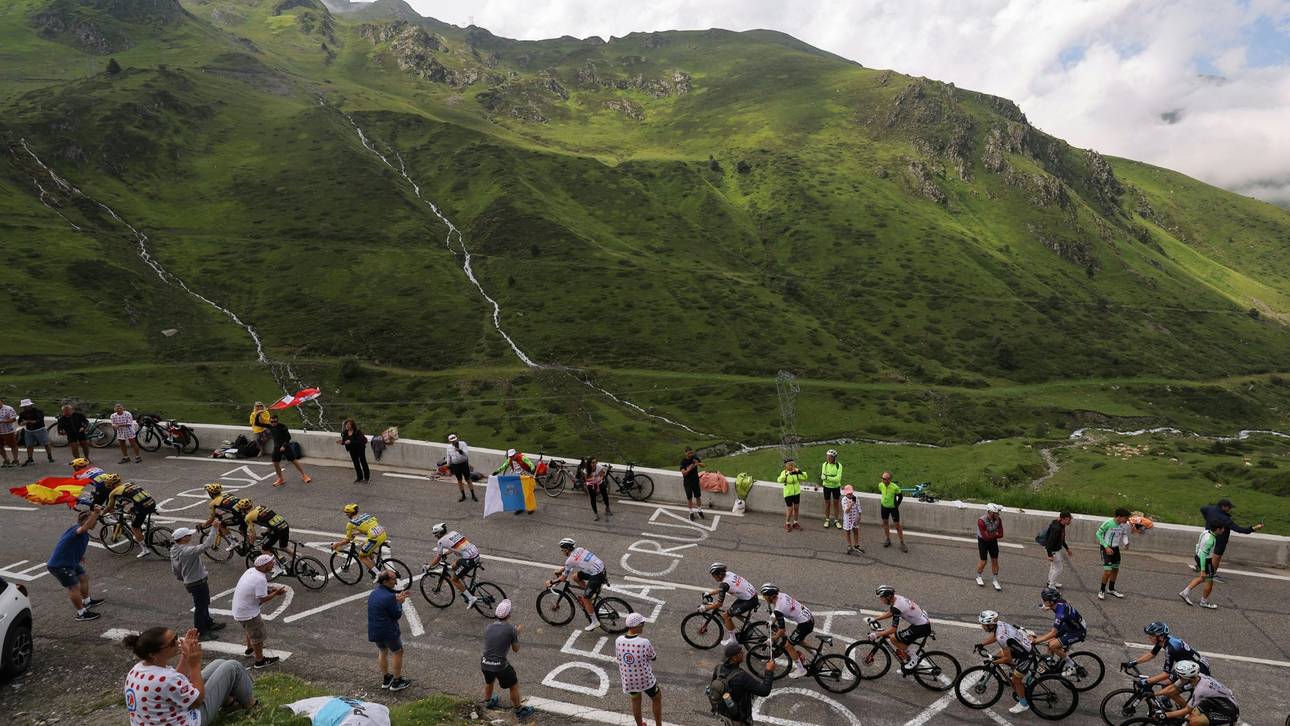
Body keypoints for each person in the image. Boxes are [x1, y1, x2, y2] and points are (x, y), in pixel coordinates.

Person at [122, 626, 256, 725]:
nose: (178, 643)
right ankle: (253, 706)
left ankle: (229, 702)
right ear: (153, 654)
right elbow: (197, 701)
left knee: (219, 663)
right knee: (232, 667)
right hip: (191, 721)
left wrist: (186, 656)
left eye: (176, 637)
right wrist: (194, 664)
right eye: (171, 643)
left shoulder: (138, 669)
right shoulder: (165, 679)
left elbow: (176, 682)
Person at [1124, 621, 1210, 702]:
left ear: (1160, 637)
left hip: (1197, 670)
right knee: (1165, 685)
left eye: (1151, 636)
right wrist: (1134, 662)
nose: (1149, 637)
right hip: (1191, 664)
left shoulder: (1171, 649)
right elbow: (1152, 654)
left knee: (1170, 691)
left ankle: (1186, 712)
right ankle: (1166, 701)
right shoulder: (1164, 640)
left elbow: (1166, 674)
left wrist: (1147, 681)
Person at [47, 507, 106, 621]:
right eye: (93, 520)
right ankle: (81, 613)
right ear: (85, 521)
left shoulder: (81, 532)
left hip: (71, 562)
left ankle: (87, 601)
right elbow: (84, 528)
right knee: (74, 587)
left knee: (83, 577)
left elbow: (71, 544)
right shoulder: (78, 529)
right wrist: (96, 513)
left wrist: (79, 555)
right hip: (60, 565)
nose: (95, 522)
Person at [481, 599, 536, 719]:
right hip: (500, 666)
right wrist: (516, 634)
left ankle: (488, 701)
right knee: (514, 685)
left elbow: (498, 638)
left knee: (489, 681)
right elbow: (516, 649)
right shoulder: (511, 629)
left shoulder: (489, 627)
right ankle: (519, 710)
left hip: (485, 662)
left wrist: (513, 633)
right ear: (509, 614)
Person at [170, 527, 225, 641]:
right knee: (200, 607)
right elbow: (206, 545)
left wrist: (183, 577)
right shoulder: (187, 551)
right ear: (184, 538)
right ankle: (201, 631)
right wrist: (214, 528)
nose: (191, 536)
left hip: (191, 582)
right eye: (189, 535)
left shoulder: (174, 550)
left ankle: (208, 623)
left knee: (204, 603)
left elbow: (175, 569)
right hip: (197, 582)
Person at [232, 555, 286, 669]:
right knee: (257, 636)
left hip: (240, 609)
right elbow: (263, 598)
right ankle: (259, 660)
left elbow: (257, 590)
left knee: (249, 630)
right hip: (248, 612)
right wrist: (276, 593)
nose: (273, 564)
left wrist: (272, 590)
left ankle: (250, 649)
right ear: (264, 565)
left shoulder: (251, 571)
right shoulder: (260, 579)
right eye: (271, 563)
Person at [978, 610, 1035, 715]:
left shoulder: (1001, 638)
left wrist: (994, 663)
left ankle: (1023, 704)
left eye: (984, 625)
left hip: (1025, 655)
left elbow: (1007, 658)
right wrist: (982, 644)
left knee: (1016, 680)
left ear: (991, 624)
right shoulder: (999, 624)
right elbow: (995, 636)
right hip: (1021, 647)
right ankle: (1027, 674)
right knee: (999, 655)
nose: (983, 627)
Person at [547, 538, 607, 631]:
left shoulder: (570, 560)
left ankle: (595, 622)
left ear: (566, 549)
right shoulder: (579, 549)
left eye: (562, 550)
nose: (562, 552)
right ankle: (591, 595)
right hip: (600, 569)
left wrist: (551, 582)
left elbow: (563, 578)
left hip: (597, 575)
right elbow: (570, 565)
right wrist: (561, 570)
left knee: (585, 599)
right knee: (575, 577)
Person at [710, 640, 774, 726]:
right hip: (740, 717)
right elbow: (764, 690)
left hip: (725, 712)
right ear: (734, 658)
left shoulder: (718, 668)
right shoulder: (741, 677)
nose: (743, 653)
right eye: (740, 652)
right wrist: (769, 671)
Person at [868, 585, 931, 672]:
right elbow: (891, 612)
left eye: (882, 598)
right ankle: (908, 657)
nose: (881, 600)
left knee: (894, 638)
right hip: (921, 622)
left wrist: (877, 634)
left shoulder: (897, 607)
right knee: (901, 640)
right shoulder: (897, 598)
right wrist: (875, 619)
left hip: (921, 627)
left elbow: (893, 630)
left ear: (888, 597)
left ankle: (914, 659)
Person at [368, 569, 412, 691]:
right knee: (398, 651)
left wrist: (396, 599)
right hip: (388, 631)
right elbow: (396, 614)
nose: (396, 580)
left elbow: (384, 602)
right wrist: (400, 602)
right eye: (393, 579)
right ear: (386, 581)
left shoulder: (374, 593)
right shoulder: (389, 597)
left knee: (382, 651)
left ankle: (386, 678)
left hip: (375, 630)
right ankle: (397, 681)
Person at [615, 612, 662, 726]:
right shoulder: (644, 642)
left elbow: (619, 657)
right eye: (642, 624)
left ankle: (640, 725)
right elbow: (653, 657)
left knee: (636, 702)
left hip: (629, 680)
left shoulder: (619, 640)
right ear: (637, 626)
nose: (643, 626)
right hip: (645, 679)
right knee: (657, 698)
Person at [1199, 498, 1264, 579]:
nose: (1230, 509)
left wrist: (1209, 521)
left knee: (1206, 551)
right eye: (1229, 507)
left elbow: (1202, 509)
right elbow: (1239, 530)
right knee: (1217, 555)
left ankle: (1201, 567)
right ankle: (1212, 574)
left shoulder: (1209, 509)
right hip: (1221, 538)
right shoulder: (1225, 519)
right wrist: (1254, 528)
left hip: (1208, 534)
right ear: (1223, 507)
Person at [760, 583, 814, 679]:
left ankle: (801, 670)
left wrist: (772, 639)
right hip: (809, 618)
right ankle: (817, 654)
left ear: (772, 596)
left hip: (805, 624)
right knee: (799, 640)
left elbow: (782, 630)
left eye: (765, 596)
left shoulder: (779, 608)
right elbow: (777, 612)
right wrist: (772, 621)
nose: (764, 598)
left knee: (788, 646)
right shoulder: (782, 595)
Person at [1159, 660, 1239, 725]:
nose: (1178, 678)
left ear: (1187, 678)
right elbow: (1173, 687)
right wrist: (1154, 694)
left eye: (1179, 676)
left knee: (1194, 721)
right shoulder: (1198, 676)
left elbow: (1186, 710)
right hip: (1216, 702)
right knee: (1192, 715)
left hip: (1229, 710)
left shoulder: (1200, 689)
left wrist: (1166, 715)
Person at [1032, 587, 1086, 676]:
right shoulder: (1059, 601)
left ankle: (1073, 666)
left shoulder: (1060, 615)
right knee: (1050, 642)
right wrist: (1049, 608)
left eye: (1045, 600)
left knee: (1053, 645)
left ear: (1051, 602)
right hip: (1071, 625)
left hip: (1078, 631)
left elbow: (1053, 632)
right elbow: (1067, 602)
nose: (1043, 601)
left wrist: (1037, 640)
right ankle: (1049, 663)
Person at [426, 522, 481, 608]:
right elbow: (454, 547)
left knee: (454, 580)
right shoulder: (453, 533)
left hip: (469, 560)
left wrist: (429, 566)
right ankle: (466, 586)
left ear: (439, 533)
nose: (435, 536)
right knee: (454, 566)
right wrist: (446, 554)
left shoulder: (441, 541)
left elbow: (438, 558)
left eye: (435, 534)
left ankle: (471, 598)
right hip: (476, 554)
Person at [703, 563, 758, 647]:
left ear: (719, 575)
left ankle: (733, 640)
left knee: (726, 616)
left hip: (749, 600)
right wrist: (709, 593)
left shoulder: (724, 584)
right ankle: (750, 626)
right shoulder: (729, 574)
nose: (713, 577)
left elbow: (719, 604)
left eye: (714, 575)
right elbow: (721, 589)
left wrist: (705, 608)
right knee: (734, 611)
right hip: (750, 596)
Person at [106, 479, 158, 559]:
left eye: (109, 485)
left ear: (112, 485)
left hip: (142, 507)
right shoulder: (130, 483)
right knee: (131, 511)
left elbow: (109, 507)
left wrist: (101, 514)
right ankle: (145, 525)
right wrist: (126, 503)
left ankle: (145, 550)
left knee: (135, 527)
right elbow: (135, 495)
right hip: (151, 502)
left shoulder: (113, 492)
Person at [334, 503, 388, 581]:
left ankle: (379, 575)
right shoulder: (366, 515)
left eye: (346, 512)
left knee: (362, 556)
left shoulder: (350, 524)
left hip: (374, 539)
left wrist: (337, 544)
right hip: (383, 534)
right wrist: (356, 533)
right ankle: (375, 565)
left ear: (350, 513)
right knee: (364, 547)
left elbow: (347, 540)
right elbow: (370, 526)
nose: (346, 514)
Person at [1180, 524, 1226, 609]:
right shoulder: (1210, 541)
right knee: (1209, 581)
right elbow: (1203, 555)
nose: (1223, 530)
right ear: (1217, 529)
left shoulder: (1205, 532)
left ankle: (1185, 592)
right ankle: (1204, 602)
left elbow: (1199, 544)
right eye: (1222, 529)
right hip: (1205, 561)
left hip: (1198, 556)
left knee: (1203, 578)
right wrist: (1203, 570)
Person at [243, 500, 290, 573]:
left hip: (276, 530)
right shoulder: (261, 507)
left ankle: (277, 568)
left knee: (264, 549)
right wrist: (267, 532)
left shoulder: (248, 517)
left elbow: (253, 533)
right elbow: (269, 519)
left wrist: (251, 544)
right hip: (284, 525)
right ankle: (300, 559)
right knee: (284, 547)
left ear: (243, 510)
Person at [1096, 508, 1132, 600]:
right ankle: (1102, 590)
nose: (1127, 520)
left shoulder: (1124, 525)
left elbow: (1124, 534)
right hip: (1106, 548)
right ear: (1119, 517)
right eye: (1126, 518)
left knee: (1115, 570)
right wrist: (1106, 547)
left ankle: (1111, 589)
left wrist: (1126, 542)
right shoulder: (1108, 523)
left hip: (1116, 549)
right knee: (1108, 572)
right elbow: (1098, 534)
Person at [266, 414, 311, 486]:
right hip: (277, 447)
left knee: (294, 461)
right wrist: (259, 412)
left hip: (285, 447)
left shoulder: (282, 426)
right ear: (270, 421)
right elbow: (256, 423)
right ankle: (280, 479)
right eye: (272, 422)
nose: (274, 423)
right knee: (275, 463)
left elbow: (288, 437)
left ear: (277, 421)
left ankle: (304, 475)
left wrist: (284, 446)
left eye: (275, 421)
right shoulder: (269, 426)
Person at [975, 503, 1004, 591]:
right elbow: (985, 537)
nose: (998, 514)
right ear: (990, 512)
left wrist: (992, 534)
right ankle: (978, 576)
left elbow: (1001, 534)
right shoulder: (981, 521)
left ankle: (995, 580)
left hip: (993, 542)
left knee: (995, 560)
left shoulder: (998, 519)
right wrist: (995, 533)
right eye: (996, 513)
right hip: (983, 541)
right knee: (984, 561)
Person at [1041, 511, 1073, 589]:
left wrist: (1067, 548)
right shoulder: (1056, 528)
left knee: (1053, 567)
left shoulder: (1061, 525)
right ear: (1064, 519)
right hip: (1053, 550)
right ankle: (1051, 585)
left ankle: (1050, 582)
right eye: (1069, 520)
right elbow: (1049, 542)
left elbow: (1061, 539)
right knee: (1059, 568)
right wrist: (1050, 555)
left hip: (1055, 549)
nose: (1070, 521)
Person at [18, 398, 53, 465]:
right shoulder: (22, 413)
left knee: (46, 443)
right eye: (24, 407)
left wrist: (28, 421)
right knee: (29, 445)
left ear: (30, 405)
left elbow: (39, 420)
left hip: (40, 429)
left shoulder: (38, 411)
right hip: (29, 430)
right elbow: (19, 422)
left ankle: (49, 456)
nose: (24, 408)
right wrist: (23, 423)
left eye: (26, 406)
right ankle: (30, 458)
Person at [878, 471, 907, 551]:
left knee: (897, 526)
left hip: (893, 508)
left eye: (884, 479)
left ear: (889, 480)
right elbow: (882, 492)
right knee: (885, 523)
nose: (882, 480)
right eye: (882, 478)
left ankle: (902, 543)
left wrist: (897, 505)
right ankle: (888, 539)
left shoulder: (895, 487)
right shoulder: (880, 485)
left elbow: (900, 496)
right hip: (884, 507)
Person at [579, 456, 613, 521]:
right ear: (589, 463)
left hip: (599, 482)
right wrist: (592, 479)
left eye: (595, 462)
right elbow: (586, 479)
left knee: (605, 495)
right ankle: (596, 514)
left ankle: (607, 508)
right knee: (593, 498)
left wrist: (598, 479)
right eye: (593, 462)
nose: (594, 464)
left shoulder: (599, 467)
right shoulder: (586, 470)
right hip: (591, 484)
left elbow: (602, 475)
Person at [776, 458, 806, 532]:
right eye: (789, 465)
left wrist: (799, 472)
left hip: (796, 492)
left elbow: (805, 477)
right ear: (786, 466)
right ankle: (787, 523)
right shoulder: (784, 472)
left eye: (792, 465)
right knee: (790, 509)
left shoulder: (795, 471)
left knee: (796, 508)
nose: (791, 466)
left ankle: (795, 523)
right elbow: (779, 480)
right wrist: (786, 475)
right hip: (788, 493)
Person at [338, 419, 371, 484]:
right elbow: (345, 441)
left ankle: (367, 478)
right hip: (351, 449)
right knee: (356, 463)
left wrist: (351, 442)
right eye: (346, 424)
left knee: (363, 462)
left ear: (352, 425)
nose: (347, 426)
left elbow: (364, 441)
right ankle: (359, 477)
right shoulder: (345, 432)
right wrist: (342, 442)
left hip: (360, 449)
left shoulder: (358, 432)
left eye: (348, 424)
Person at [445, 433, 474, 501]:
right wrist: (448, 468)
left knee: (468, 479)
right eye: (452, 441)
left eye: (455, 440)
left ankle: (473, 495)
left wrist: (460, 450)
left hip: (464, 464)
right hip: (456, 466)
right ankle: (463, 496)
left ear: (457, 439)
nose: (454, 442)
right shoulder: (448, 447)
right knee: (459, 481)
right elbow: (448, 457)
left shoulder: (463, 444)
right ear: (450, 441)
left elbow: (466, 454)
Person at [680, 446, 705, 521]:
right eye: (689, 453)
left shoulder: (695, 458)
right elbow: (683, 473)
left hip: (695, 481)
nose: (691, 454)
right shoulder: (683, 461)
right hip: (687, 482)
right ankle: (691, 513)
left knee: (698, 496)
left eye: (691, 452)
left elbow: (703, 465)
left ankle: (699, 511)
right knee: (689, 498)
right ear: (685, 453)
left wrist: (698, 464)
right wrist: (689, 469)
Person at [819, 449, 843, 528]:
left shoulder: (839, 466)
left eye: (830, 457)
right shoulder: (824, 465)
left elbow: (838, 479)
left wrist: (827, 477)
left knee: (836, 504)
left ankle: (836, 520)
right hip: (826, 487)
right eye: (827, 456)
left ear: (834, 458)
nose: (828, 458)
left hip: (836, 487)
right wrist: (831, 478)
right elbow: (822, 477)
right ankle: (827, 520)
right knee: (827, 504)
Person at [841, 485, 863, 554]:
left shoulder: (856, 498)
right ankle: (849, 545)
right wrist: (852, 503)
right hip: (848, 518)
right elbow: (846, 511)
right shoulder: (844, 500)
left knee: (856, 531)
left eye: (851, 493)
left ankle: (856, 545)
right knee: (848, 532)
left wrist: (859, 517)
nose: (851, 495)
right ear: (846, 493)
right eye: (849, 493)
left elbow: (859, 509)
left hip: (855, 517)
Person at [0, 397, 19, 467]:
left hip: (8, 431)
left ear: (1, 401)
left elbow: (14, 419)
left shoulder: (8, 408)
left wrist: (3, 421)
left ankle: (16, 460)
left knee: (13, 445)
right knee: (0, 446)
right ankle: (6, 460)